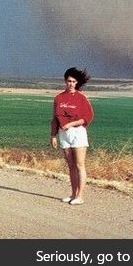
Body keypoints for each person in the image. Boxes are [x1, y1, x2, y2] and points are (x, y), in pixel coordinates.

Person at [50, 67, 94, 205]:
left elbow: (88, 117)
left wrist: (71, 124)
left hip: (77, 132)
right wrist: (53, 135)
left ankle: (80, 196)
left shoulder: (81, 98)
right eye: (69, 81)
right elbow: (55, 118)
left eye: (74, 81)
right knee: (71, 165)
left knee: (80, 164)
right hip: (64, 134)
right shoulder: (59, 98)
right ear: (65, 81)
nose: (71, 84)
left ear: (77, 83)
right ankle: (73, 194)